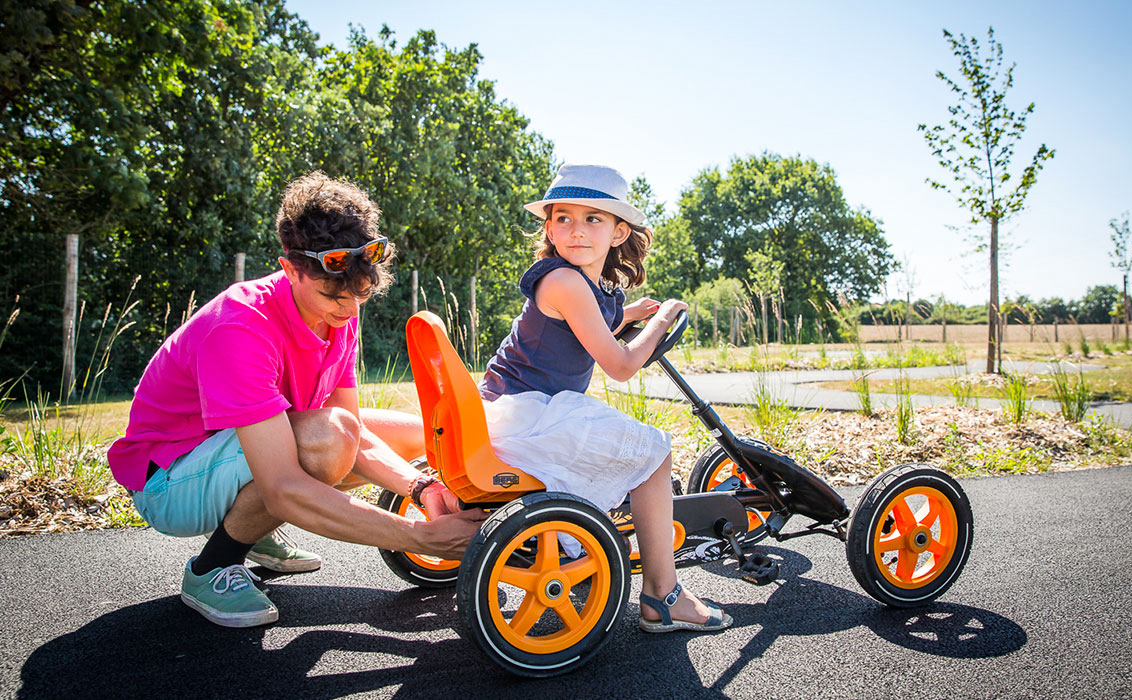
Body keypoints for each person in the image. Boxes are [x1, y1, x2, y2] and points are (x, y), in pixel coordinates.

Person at [107, 171, 486, 628]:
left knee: (413, 433)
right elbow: (288, 482)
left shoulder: (339, 311)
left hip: (236, 449)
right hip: (168, 482)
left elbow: (355, 435)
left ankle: (254, 530)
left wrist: (421, 488)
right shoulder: (240, 326)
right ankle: (212, 568)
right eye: (334, 294)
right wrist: (419, 537)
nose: (349, 308)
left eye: (361, 293)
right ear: (291, 270)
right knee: (326, 443)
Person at [478, 164, 731, 633]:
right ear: (549, 228)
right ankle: (662, 593)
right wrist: (661, 320)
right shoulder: (566, 283)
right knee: (655, 454)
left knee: (618, 445)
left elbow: (586, 330)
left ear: (618, 233)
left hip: (512, 410)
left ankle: (591, 542)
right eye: (564, 218)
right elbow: (619, 366)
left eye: (593, 219)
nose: (576, 230)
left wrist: (630, 312)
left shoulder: (578, 286)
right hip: (525, 416)